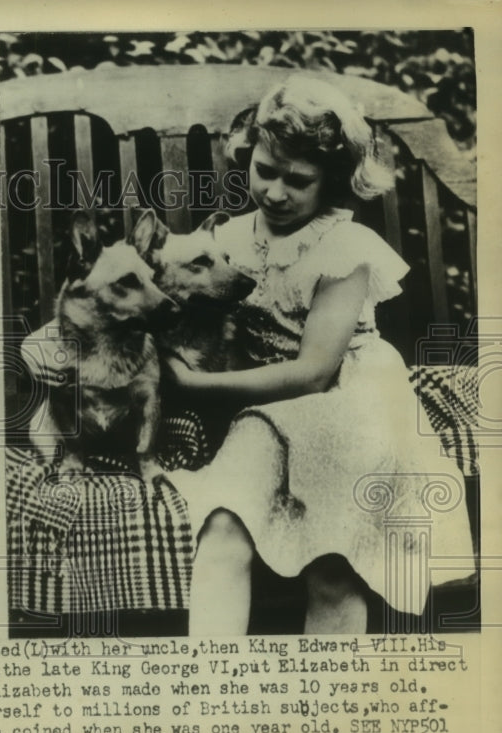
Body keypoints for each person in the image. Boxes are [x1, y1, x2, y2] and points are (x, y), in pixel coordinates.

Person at [168, 77, 475, 634]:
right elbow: (162, 289)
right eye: (265, 170)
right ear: (249, 156)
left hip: (344, 398)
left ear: (331, 182)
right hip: (266, 405)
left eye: (299, 180)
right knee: (220, 526)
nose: (277, 193)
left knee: (334, 557)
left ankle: (325, 705)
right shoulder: (226, 242)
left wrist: (193, 388)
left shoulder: (344, 251)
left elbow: (313, 374)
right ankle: (210, 694)